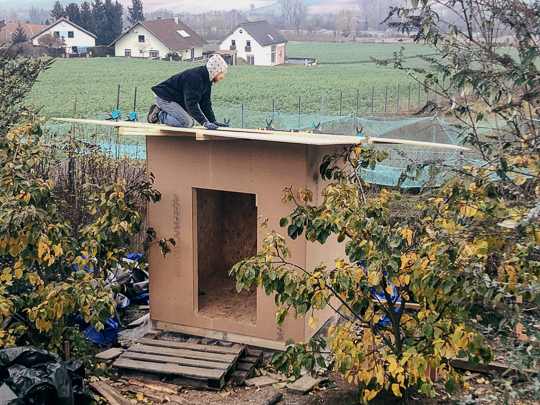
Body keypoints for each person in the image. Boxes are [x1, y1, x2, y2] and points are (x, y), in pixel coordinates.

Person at [147, 54, 228, 130]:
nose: (222, 76)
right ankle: (158, 115)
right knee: (186, 122)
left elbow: (205, 103)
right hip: (164, 97)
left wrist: (212, 120)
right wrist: (204, 122)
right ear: (214, 70)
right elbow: (190, 103)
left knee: (192, 122)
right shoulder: (194, 78)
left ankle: (162, 113)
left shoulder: (207, 80)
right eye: (221, 72)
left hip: (176, 99)